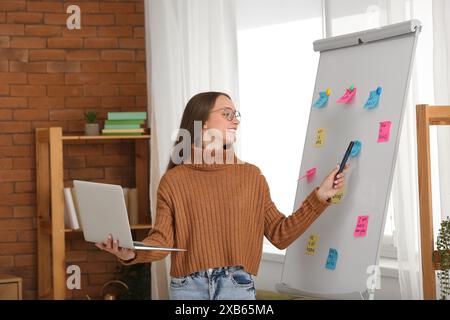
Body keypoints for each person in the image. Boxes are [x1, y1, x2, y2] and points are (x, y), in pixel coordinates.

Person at [96, 92, 348, 300]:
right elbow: (162, 241)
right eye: (226, 114)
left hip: (236, 287)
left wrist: (320, 196)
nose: (236, 121)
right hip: (187, 290)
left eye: (235, 115)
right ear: (202, 122)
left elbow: (280, 235)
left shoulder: (251, 176)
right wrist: (129, 253)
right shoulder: (174, 180)